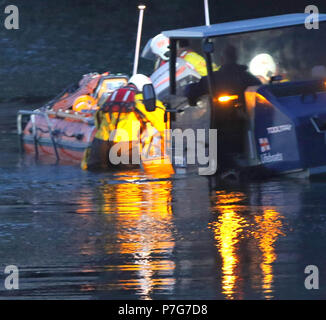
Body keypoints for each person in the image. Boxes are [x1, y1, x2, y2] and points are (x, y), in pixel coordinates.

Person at [185, 44, 261, 105]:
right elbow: (261, 90)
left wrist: (187, 88)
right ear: (236, 58)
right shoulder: (249, 78)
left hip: (219, 121)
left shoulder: (211, 79)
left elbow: (191, 93)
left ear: (221, 59)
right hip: (248, 120)